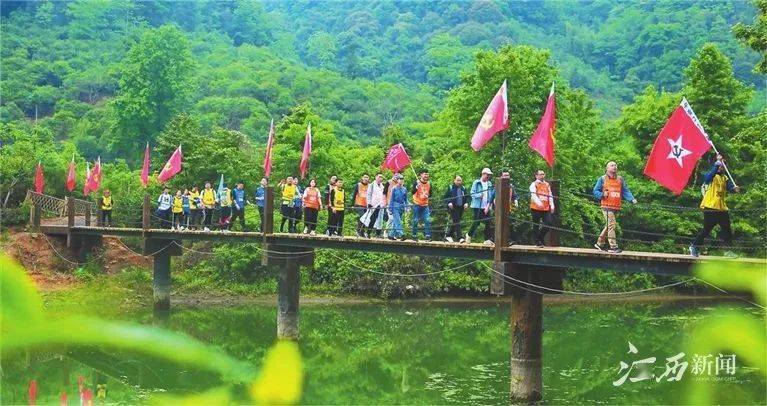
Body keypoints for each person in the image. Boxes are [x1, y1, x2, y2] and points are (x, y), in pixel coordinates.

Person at [689, 154, 741, 257]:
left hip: (721, 207)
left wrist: (735, 189)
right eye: (722, 165)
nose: (724, 167)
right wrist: (717, 163)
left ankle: (728, 251)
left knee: (727, 229)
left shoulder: (724, 177)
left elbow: (729, 187)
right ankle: (694, 246)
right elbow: (707, 179)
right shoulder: (712, 175)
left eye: (725, 165)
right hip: (710, 207)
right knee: (706, 229)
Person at [593, 161, 637, 253]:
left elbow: (625, 190)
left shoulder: (620, 179)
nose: (614, 167)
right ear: (607, 168)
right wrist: (602, 194)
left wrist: (632, 199)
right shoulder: (602, 179)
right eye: (612, 165)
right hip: (606, 206)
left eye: (615, 165)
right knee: (612, 225)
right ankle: (613, 247)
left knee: (609, 226)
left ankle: (599, 243)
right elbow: (595, 191)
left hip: (616, 206)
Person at [467, 168, 495, 245]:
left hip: (486, 206)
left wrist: (489, 205)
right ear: (483, 174)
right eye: (487, 175)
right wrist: (479, 195)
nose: (488, 176)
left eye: (489, 175)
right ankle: (469, 235)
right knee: (477, 222)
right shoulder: (477, 182)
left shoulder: (489, 183)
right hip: (477, 206)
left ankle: (487, 239)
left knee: (488, 222)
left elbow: (491, 194)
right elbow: (472, 193)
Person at [529, 170, 555, 248]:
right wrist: (539, 203)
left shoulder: (547, 184)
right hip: (536, 208)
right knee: (536, 225)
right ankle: (537, 242)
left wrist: (552, 205)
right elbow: (533, 195)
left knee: (548, 223)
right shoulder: (533, 184)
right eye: (540, 174)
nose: (542, 176)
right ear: (536, 176)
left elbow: (550, 195)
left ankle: (540, 238)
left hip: (546, 208)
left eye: (543, 174)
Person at [443, 176, 468, 243]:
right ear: (454, 180)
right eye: (458, 180)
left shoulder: (463, 188)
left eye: (460, 180)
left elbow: (467, 197)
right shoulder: (451, 187)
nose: (459, 182)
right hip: (452, 207)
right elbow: (445, 197)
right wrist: (449, 202)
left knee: (456, 221)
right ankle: (460, 237)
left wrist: (466, 203)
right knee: (457, 221)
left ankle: (449, 235)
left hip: (460, 208)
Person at [364, 173, 387, 238]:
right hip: (373, 204)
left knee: (380, 219)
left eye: (382, 177)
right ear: (376, 177)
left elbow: (384, 195)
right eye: (379, 177)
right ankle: (368, 232)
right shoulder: (372, 185)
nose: (381, 178)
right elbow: (368, 194)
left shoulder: (382, 186)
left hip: (381, 204)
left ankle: (378, 234)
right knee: (372, 219)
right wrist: (369, 203)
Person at [411, 170, 432, 241]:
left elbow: (431, 193)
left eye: (427, 174)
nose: (426, 176)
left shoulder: (429, 183)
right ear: (421, 175)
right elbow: (412, 192)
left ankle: (428, 235)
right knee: (416, 220)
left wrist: (427, 195)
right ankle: (414, 235)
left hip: (425, 205)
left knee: (427, 220)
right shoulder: (416, 182)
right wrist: (416, 187)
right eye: (425, 174)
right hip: (417, 204)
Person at [387, 174, 408, 240]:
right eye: (400, 179)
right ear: (397, 180)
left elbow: (406, 199)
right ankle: (401, 234)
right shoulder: (394, 189)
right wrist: (390, 209)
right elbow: (391, 199)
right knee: (398, 220)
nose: (401, 180)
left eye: (402, 179)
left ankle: (391, 235)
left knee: (395, 221)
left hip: (401, 206)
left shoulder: (404, 189)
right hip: (395, 206)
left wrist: (407, 206)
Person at [501, 170, 519, 246]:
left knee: (510, 223)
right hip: (500, 208)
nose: (506, 177)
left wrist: (516, 201)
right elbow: (493, 195)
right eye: (505, 175)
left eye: (508, 175)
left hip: (509, 207)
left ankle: (511, 240)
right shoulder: (498, 184)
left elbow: (515, 196)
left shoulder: (511, 186)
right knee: (500, 223)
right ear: (501, 177)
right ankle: (496, 239)